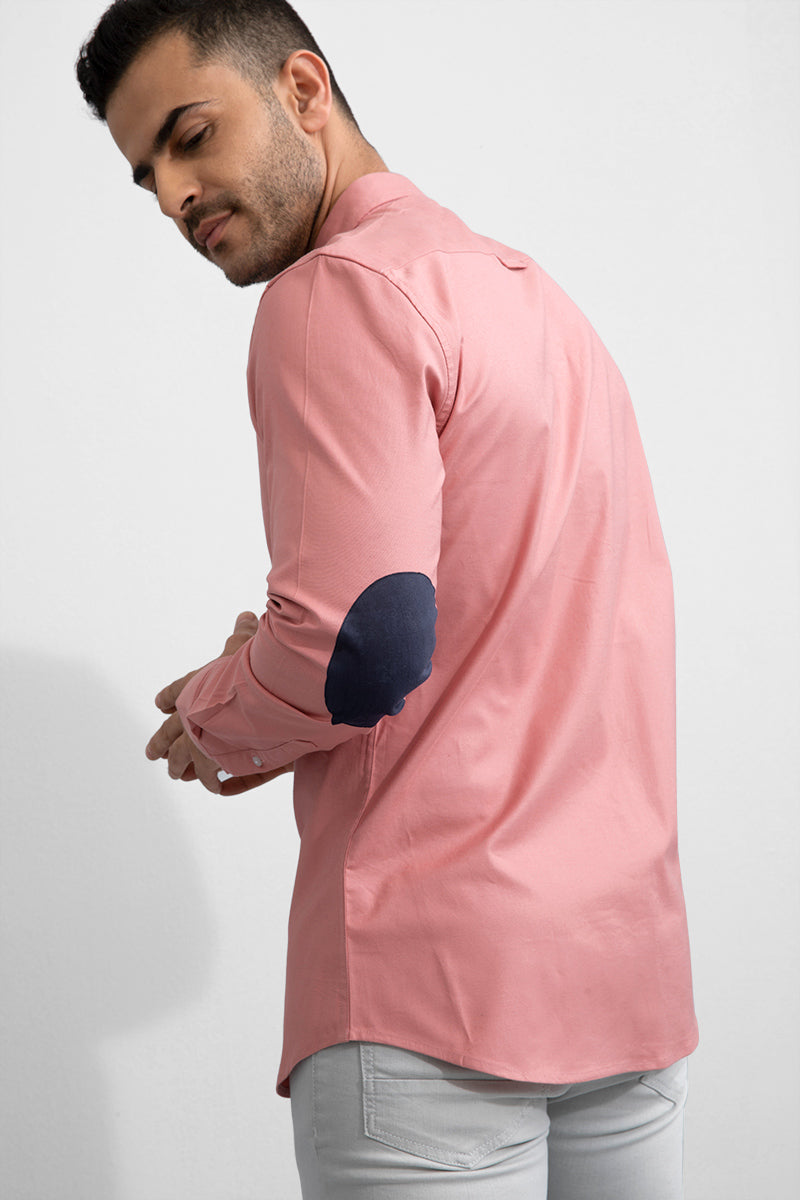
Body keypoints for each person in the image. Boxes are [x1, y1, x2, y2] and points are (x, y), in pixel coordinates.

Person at [76, 2, 699, 1196]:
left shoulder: (334, 292)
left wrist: (215, 711)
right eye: (147, 175)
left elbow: (356, 649)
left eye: (191, 137)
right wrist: (292, 653)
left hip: (432, 1003)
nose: (173, 196)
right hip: (624, 981)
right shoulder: (537, 301)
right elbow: (495, 623)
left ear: (303, 90)